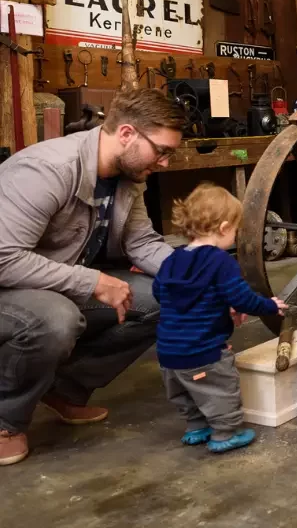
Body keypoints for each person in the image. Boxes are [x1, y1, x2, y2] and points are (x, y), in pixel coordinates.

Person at [0, 88, 186, 466]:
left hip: (52, 283)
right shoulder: (48, 170)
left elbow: (142, 243)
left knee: (166, 297)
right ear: (127, 134)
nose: (165, 163)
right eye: (162, 151)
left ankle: (63, 389)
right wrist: (94, 282)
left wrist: (199, 280)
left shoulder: (129, 177)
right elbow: (4, 258)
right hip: (10, 285)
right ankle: (5, 420)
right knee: (55, 320)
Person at [154, 184, 288, 453]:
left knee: (185, 393)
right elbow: (242, 299)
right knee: (220, 389)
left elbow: (159, 292)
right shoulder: (220, 261)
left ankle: (196, 427)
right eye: (236, 230)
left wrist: (211, 302)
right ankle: (225, 433)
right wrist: (269, 306)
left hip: (167, 354)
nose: (235, 236)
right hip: (203, 351)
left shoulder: (173, 259)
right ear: (224, 228)